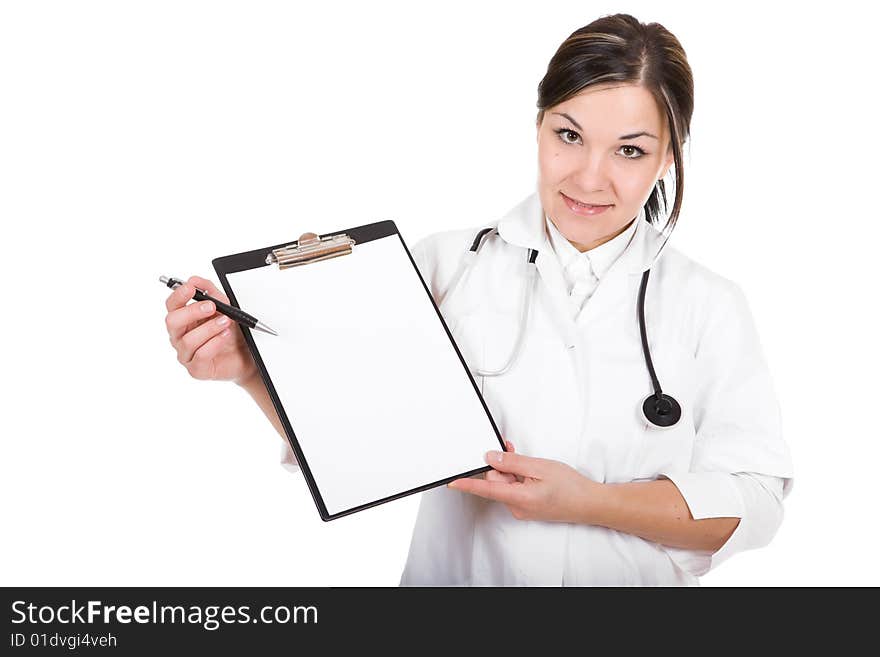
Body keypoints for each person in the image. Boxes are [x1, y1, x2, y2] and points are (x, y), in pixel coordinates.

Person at [163, 13, 793, 586]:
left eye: (630, 149)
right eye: (569, 136)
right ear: (538, 123)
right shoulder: (442, 267)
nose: (590, 177)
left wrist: (588, 501)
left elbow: (755, 503)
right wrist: (253, 374)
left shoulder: (708, 305)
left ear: (669, 157)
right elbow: (355, 438)